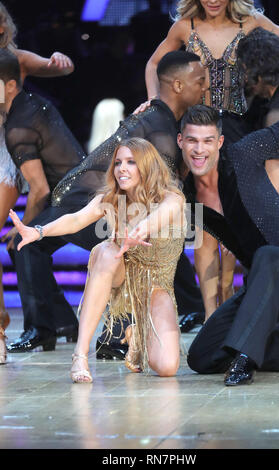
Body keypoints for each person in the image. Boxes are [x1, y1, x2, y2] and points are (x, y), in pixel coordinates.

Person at [9, 50, 206, 354]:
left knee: (139, 235)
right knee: (130, 239)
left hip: (83, 200)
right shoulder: (159, 126)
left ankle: (65, 327)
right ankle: (109, 333)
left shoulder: (158, 118)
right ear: (178, 85)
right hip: (88, 203)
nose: (205, 87)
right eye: (200, 81)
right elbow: (166, 197)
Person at [137, 0, 279, 322]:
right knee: (205, 224)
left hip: (238, 131)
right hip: (199, 129)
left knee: (236, 224)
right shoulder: (185, 26)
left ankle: (230, 307)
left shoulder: (250, 22)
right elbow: (154, 64)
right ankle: (212, 315)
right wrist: (158, 103)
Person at [10, 137, 186, 382]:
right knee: (106, 250)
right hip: (121, 277)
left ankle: (136, 335)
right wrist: (38, 231)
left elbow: (158, 218)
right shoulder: (111, 198)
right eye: (118, 162)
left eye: (131, 162)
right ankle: (80, 355)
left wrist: (140, 229)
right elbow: (75, 220)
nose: (122, 168)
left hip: (157, 287)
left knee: (167, 367)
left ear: (146, 165)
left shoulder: (172, 198)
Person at [178, 104, 279, 386]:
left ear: (219, 142)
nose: (200, 150)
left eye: (208, 141)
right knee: (202, 357)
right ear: (180, 141)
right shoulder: (186, 196)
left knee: (269, 257)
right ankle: (268, 344)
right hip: (263, 287)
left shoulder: (243, 154)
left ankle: (246, 358)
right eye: (193, 140)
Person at [0, 1, 74, 362]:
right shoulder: (24, 105)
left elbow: (59, 67)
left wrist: (61, 60)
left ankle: (24, 325)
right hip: (24, 149)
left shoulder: (16, 61)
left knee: (22, 242)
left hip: (18, 157)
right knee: (26, 245)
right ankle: (60, 321)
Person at [236, 27, 279, 221]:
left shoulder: (278, 115)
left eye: (245, 71)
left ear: (258, 72)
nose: (244, 79)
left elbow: (275, 191)